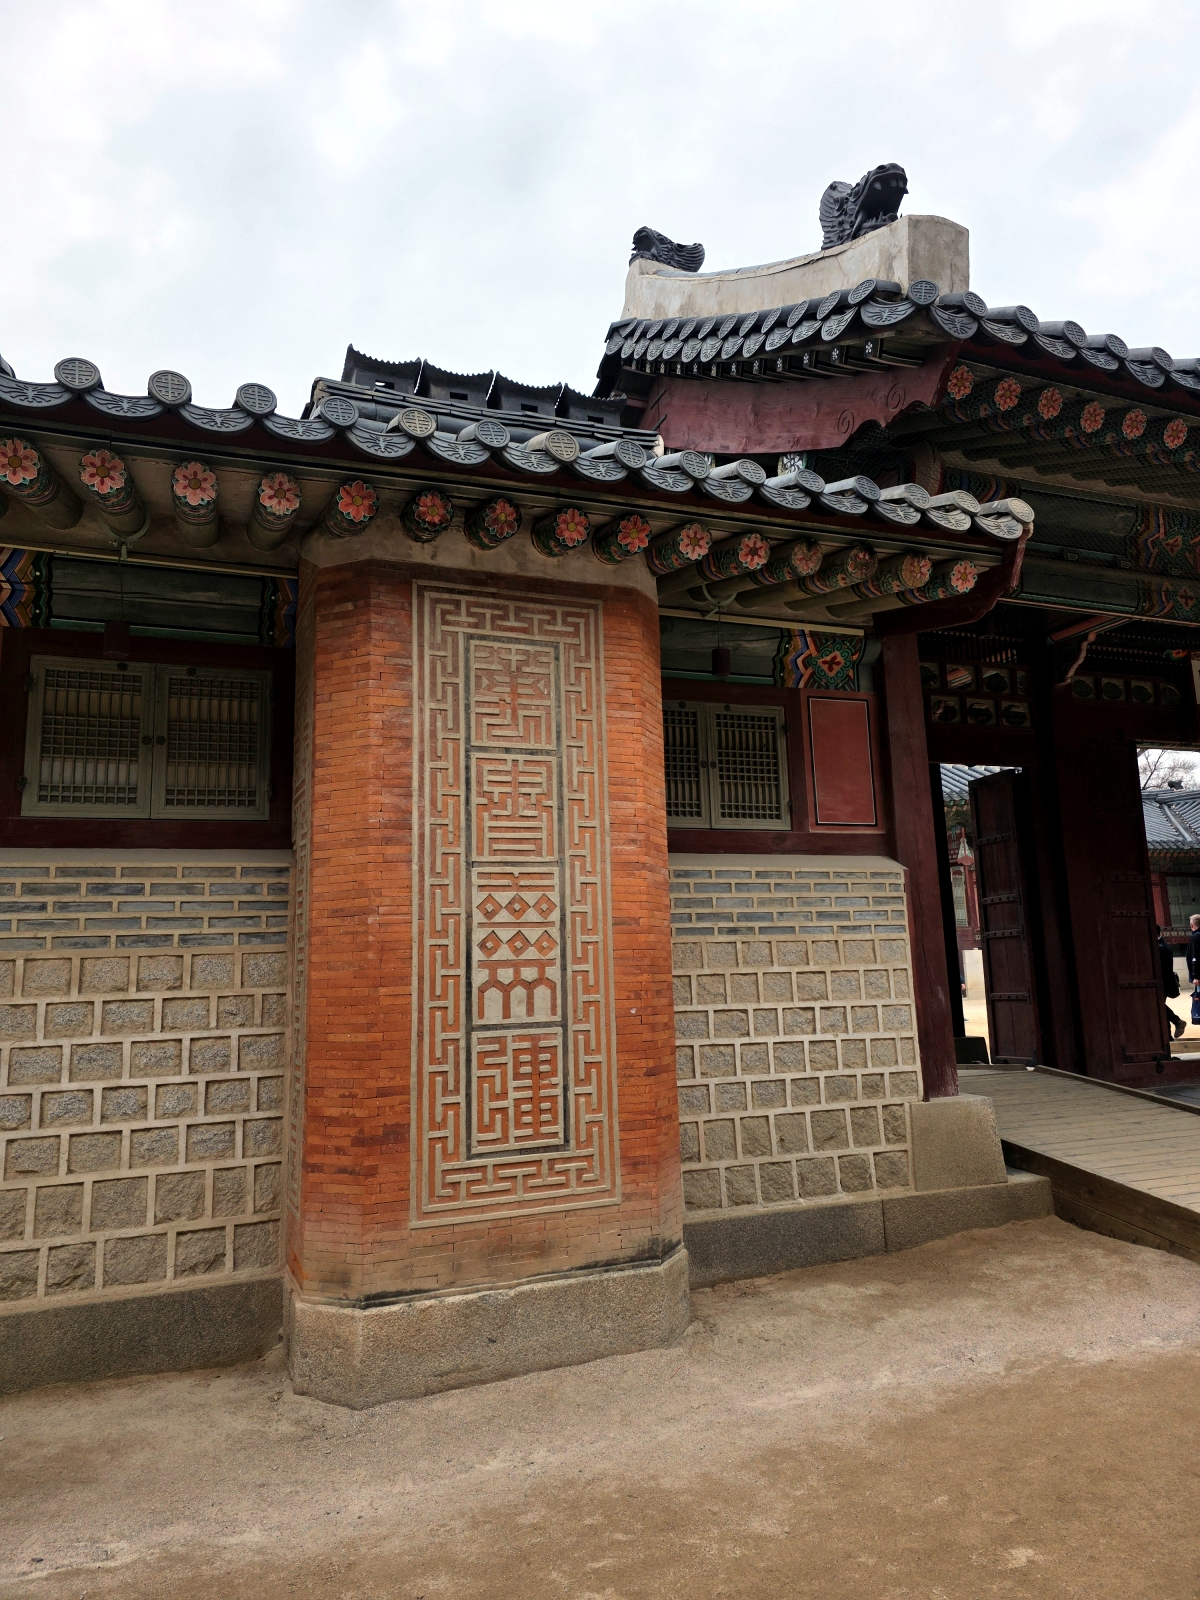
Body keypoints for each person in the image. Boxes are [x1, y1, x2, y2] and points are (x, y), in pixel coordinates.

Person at [1161, 926, 1186, 1038]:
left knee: (1160, 1007)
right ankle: (1168, 1035)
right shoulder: (1165, 945)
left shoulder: (1160, 947)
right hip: (1166, 982)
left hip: (1162, 983)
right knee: (1161, 1008)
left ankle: (1176, 1021)